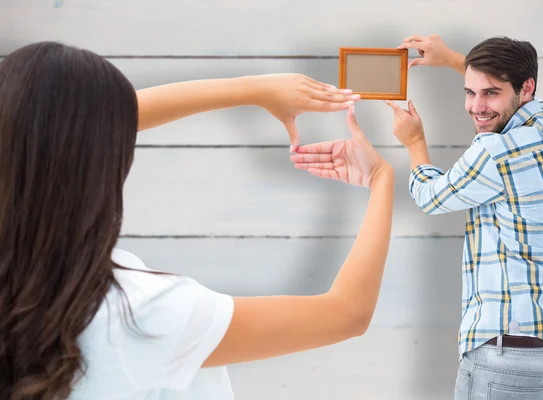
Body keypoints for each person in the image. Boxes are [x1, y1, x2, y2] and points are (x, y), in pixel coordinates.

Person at [0, 41, 395, 400]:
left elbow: (58, 132)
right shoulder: (140, 317)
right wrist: (381, 180)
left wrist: (255, 91)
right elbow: (346, 313)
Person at [388, 34, 543, 399]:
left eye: (490, 93)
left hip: (507, 362)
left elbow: (431, 197)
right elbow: (514, 98)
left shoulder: (495, 153)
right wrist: (455, 59)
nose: (476, 106)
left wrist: (415, 143)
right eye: (470, 91)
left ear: (525, 87)